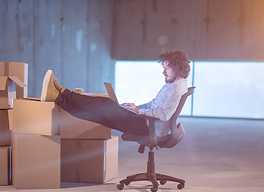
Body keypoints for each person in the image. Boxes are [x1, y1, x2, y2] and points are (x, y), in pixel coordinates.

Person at [40, 49, 190, 148]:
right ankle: (57, 97)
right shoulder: (174, 84)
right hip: (144, 121)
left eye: (167, 68)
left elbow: (164, 114)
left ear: (177, 68)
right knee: (96, 116)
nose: (163, 72)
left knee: (105, 104)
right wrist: (136, 108)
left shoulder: (177, 87)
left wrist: (139, 111)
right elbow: (154, 104)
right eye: (163, 67)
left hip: (147, 127)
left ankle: (64, 92)